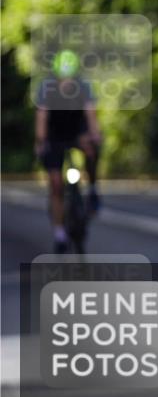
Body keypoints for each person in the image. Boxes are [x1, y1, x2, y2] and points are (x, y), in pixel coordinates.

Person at [34, 49, 103, 253]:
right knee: (55, 184)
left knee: (92, 150)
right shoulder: (46, 88)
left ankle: (92, 189)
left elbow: (91, 114)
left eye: (70, 79)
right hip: (54, 134)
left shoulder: (83, 86)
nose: (66, 83)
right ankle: (60, 234)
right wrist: (40, 141)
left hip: (77, 131)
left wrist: (95, 134)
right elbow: (42, 118)